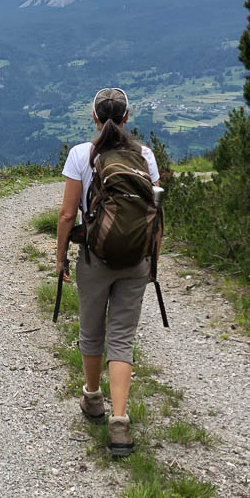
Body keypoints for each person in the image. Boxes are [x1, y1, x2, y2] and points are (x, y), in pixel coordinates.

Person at [55, 87, 160, 457]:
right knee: (122, 338)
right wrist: (152, 262)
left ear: (95, 118)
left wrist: (60, 258)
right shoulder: (144, 156)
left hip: (93, 257)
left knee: (91, 329)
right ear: (127, 118)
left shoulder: (81, 155)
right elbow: (154, 214)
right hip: (136, 259)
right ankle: (119, 422)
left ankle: (92, 398)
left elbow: (68, 214)